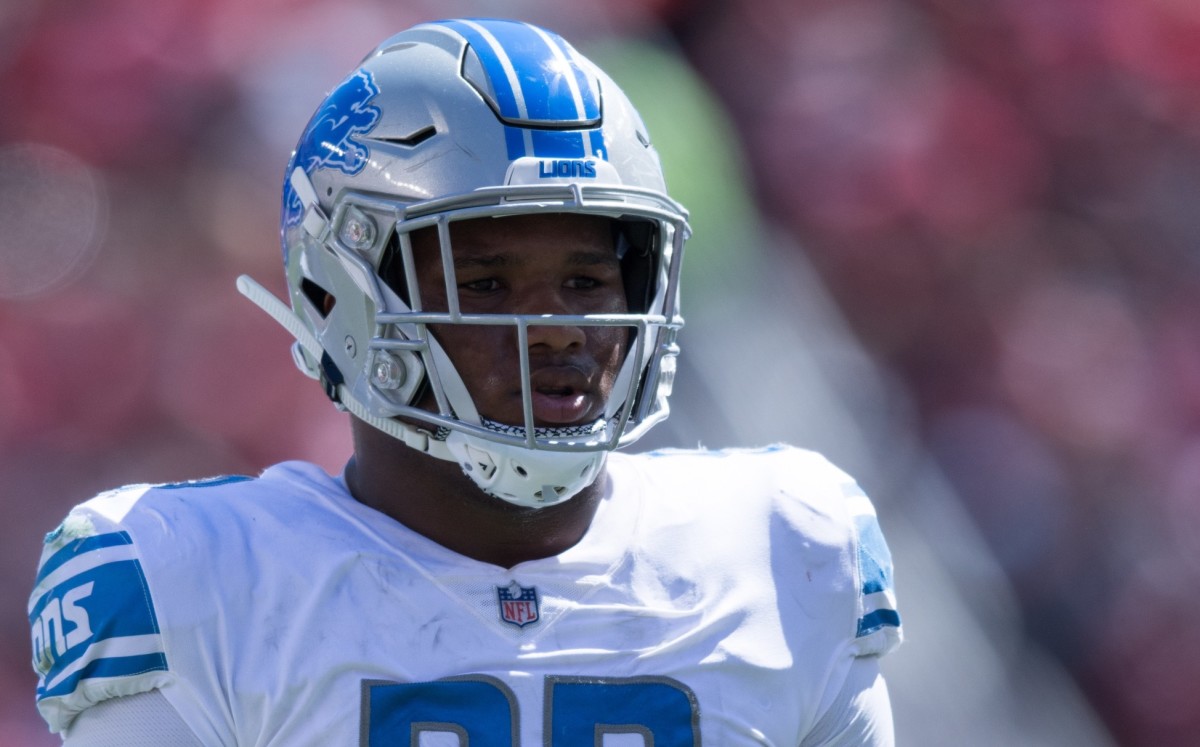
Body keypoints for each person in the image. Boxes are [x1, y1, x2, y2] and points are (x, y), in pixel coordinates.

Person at [27, 18, 902, 745]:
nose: (559, 325)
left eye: (589, 280)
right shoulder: (196, 582)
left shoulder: (786, 550)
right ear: (340, 294)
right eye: (485, 283)